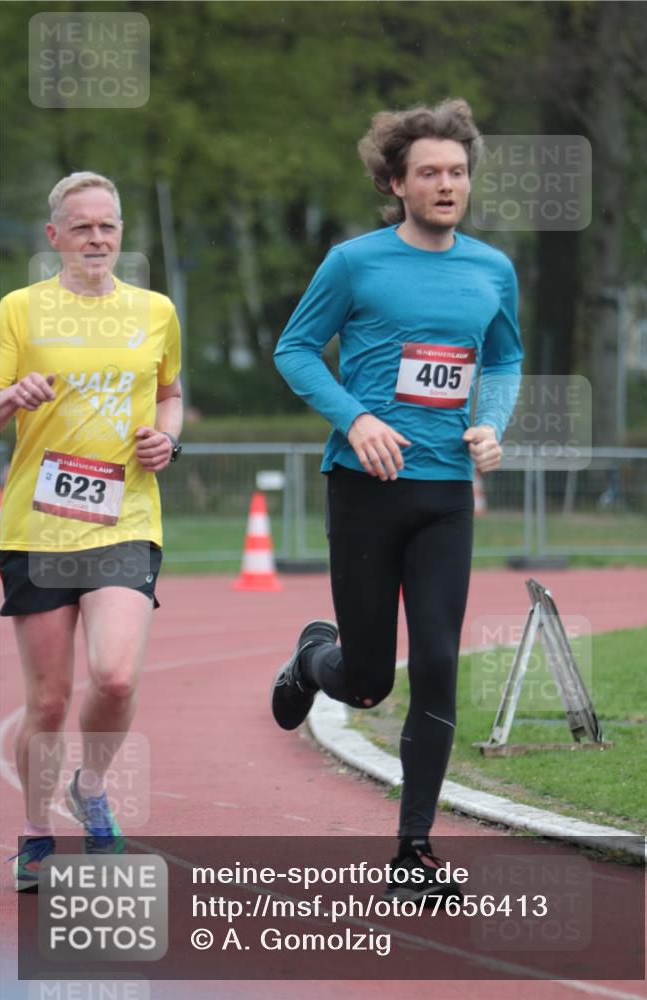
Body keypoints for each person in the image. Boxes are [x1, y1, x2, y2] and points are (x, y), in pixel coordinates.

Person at [271, 99, 523, 900]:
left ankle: (412, 853)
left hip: (447, 492)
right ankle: (316, 657)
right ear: (395, 182)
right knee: (371, 678)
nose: (446, 185)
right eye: (428, 173)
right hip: (365, 489)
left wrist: (490, 426)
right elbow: (295, 348)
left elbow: (507, 358)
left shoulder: (491, 269)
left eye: (456, 172)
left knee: (441, 663)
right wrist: (357, 417)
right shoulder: (354, 262)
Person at [0, 172, 183, 890]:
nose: (97, 238)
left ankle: (93, 787)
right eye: (82, 227)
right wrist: (11, 397)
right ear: (55, 238)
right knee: (46, 699)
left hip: (124, 518)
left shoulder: (155, 311)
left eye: (107, 226)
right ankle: (37, 830)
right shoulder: (20, 311)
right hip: (38, 526)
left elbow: (169, 394)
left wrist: (168, 441)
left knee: (114, 674)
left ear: (120, 234)